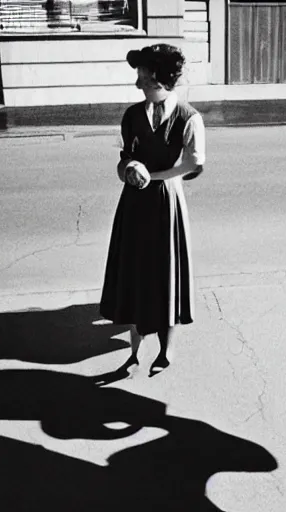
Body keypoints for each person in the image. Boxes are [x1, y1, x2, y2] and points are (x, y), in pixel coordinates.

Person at [100, 43, 206, 377]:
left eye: (143, 80)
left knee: (165, 271)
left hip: (166, 202)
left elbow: (195, 162)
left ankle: (166, 348)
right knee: (135, 271)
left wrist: (155, 176)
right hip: (134, 203)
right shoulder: (132, 116)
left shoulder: (189, 117)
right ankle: (134, 351)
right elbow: (122, 160)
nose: (138, 86)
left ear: (160, 80)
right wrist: (130, 167)